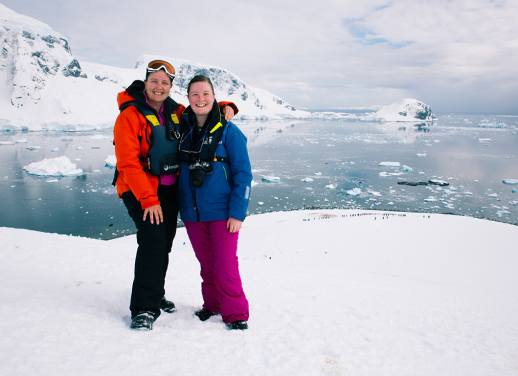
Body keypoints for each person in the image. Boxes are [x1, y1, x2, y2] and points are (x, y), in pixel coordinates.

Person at [113, 60, 237, 331]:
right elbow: (127, 163)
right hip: (140, 189)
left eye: (165, 83)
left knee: (164, 242)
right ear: (145, 83)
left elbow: (202, 109)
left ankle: (155, 293)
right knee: (153, 241)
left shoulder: (175, 111)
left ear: (171, 87)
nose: (159, 87)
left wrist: (227, 107)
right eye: (154, 81)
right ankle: (144, 308)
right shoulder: (129, 115)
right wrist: (148, 199)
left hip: (168, 189)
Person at [178, 75, 252, 330]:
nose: (200, 99)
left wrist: (238, 213)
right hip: (192, 212)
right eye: (195, 94)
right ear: (188, 98)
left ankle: (236, 313)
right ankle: (212, 304)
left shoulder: (230, 132)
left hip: (223, 213)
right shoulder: (182, 129)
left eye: (205, 93)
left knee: (225, 264)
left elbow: (243, 175)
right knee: (206, 264)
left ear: (214, 96)